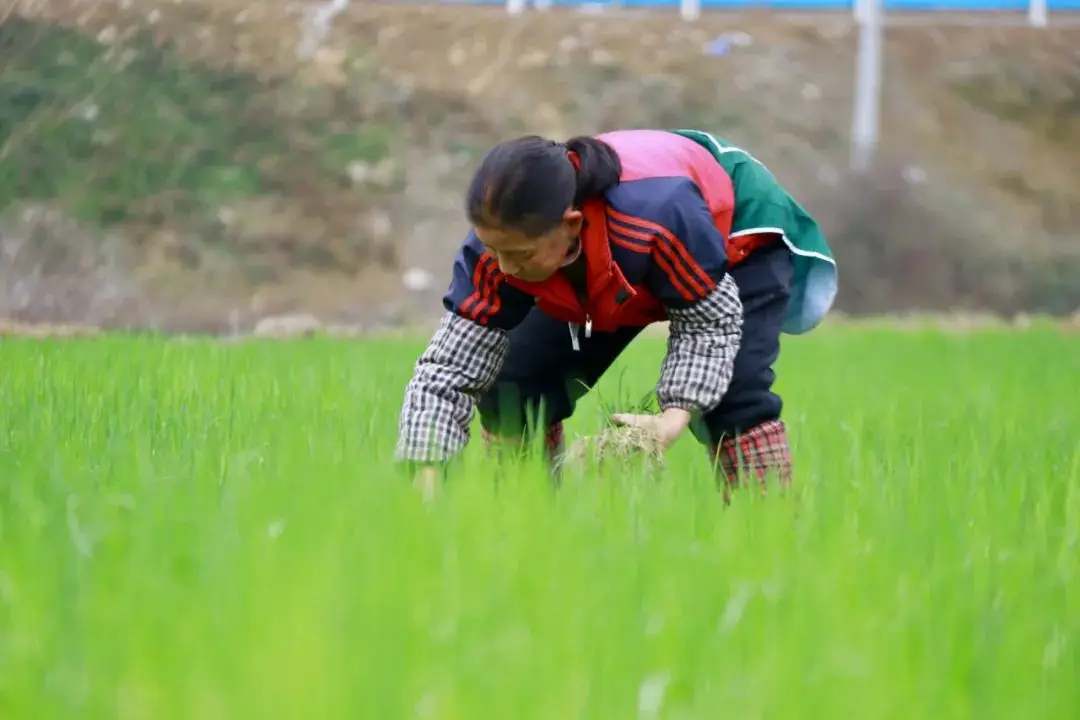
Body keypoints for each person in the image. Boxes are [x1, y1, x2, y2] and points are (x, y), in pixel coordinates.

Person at [394, 128, 837, 498]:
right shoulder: (498, 253)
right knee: (514, 386)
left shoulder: (654, 216)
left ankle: (767, 535)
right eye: (493, 250)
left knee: (735, 397)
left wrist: (672, 418)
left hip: (731, 238)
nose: (505, 267)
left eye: (519, 253)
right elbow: (449, 369)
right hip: (609, 266)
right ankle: (524, 527)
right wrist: (426, 474)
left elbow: (709, 323)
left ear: (570, 223)